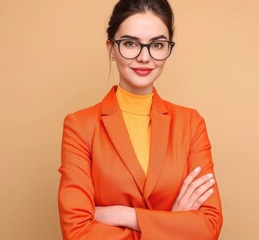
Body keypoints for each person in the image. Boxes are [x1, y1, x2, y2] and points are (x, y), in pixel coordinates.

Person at [58, 0, 223, 239]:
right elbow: (77, 232)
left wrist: (127, 215)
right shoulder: (80, 126)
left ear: (168, 49)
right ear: (111, 48)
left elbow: (208, 227)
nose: (144, 57)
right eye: (129, 43)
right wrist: (172, 223)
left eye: (156, 44)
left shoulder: (190, 124)